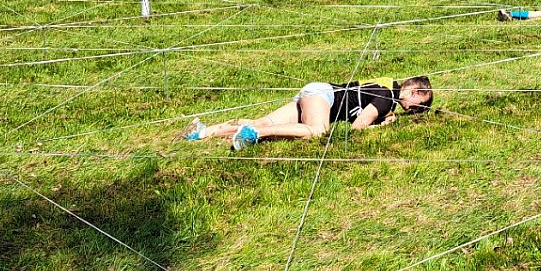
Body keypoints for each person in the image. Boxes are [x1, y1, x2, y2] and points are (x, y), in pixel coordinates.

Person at [176, 76, 434, 150]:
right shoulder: (388, 96)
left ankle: (200, 133)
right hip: (324, 97)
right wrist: (380, 126)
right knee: (317, 131)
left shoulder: (385, 86)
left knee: (263, 118)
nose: (419, 111)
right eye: (422, 105)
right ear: (413, 92)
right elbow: (358, 125)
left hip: (317, 92)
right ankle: (255, 134)